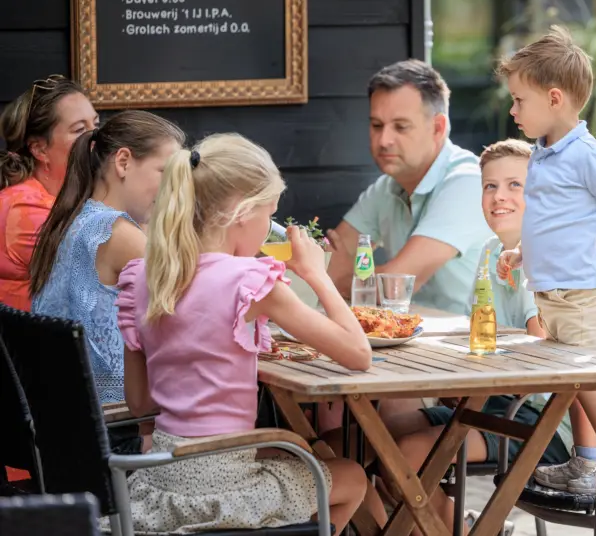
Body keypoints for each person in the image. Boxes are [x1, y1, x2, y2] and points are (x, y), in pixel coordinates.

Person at [115, 133, 383, 533]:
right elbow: (358, 354)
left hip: (161, 476)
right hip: (222, 482)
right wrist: (316, 273)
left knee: (296, 452)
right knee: (351, 476)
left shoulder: (142, 277)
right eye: (269, 217)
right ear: (243, 212)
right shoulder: (248, 281)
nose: (267, 232)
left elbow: (139, 403)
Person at [372, 139, 574, 535]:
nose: (499, 196)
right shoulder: (488, 252)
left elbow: (545, 353)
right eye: (489, 186)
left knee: (406, 460)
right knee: (368, 441)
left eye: (516, 185)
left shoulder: (544, 256)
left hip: (538, 420)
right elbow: (477, 333)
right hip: (491, 405)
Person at [496, 26, 596, 494]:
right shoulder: (543, 153)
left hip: (581, 290)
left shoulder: (586, 154)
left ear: (554, 98)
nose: (513, 109)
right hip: (554, 291)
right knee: (572, 382)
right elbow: (552, 219)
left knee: (584, 376)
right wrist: (523, 252)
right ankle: (587, 462)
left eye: (520, 100)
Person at [30, 110, 185, 408]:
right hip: (117, 422)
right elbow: (192, 309)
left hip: (68, 420)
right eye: (166, 174)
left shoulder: (77, 220)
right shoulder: (116, 233)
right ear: (124, 162)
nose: (174, 189)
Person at [326, 59, 493, 316]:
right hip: (413, 339)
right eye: (376, 125)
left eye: (401, 127)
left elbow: (395, 284)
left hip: (477, 342)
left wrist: (339, 278)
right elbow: (331, 254)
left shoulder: (468, 182)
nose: (384, 140)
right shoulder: (387, 186)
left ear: (437, 128)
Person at [0, 74, 98, 311]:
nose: (96, 138)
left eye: (96, 124)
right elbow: (104, 270)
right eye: (79, 130)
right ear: (40, 149)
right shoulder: (24, 208)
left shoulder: (64, 196)